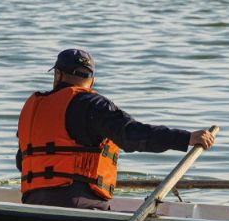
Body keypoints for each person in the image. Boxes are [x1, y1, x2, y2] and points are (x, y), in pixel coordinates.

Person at [15, 49, 215, 210]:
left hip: (34, 202)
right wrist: (186, 138)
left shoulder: (33, 107)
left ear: (58, 75)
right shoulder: (93, 104)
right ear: (91, 79)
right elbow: (132, 135)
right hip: (80, 206)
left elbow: (21, 162)